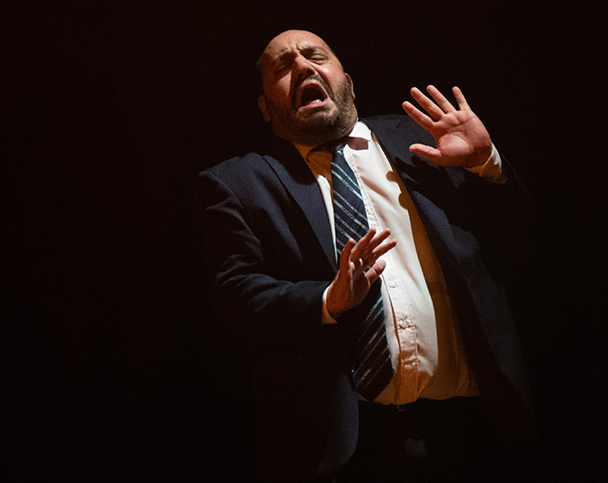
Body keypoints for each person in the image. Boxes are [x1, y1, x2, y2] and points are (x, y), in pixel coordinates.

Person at [196, 30, 536, 482]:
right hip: (349, 448)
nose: (302, 67)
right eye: (282, 68)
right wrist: (327, 301)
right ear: (264, 107)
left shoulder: (429, 141)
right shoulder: (239, 184)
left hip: (473, 426)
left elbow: (523, 242)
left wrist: (486, 164)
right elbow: (235, 296)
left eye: (315, 56)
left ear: (348, 83)